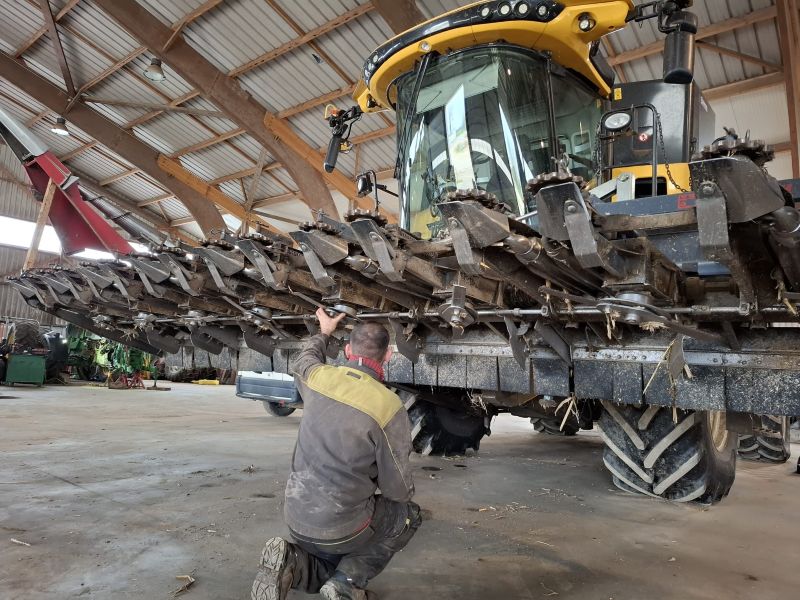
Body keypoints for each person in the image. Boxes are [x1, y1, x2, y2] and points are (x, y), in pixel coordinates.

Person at [251, 308, 421, 600]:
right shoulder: (389, 408)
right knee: (408, 515)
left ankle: (291, 560)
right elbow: (397, 490)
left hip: (296, 515)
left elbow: (305, 358)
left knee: (330, 554)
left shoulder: (318, 378)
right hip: (343, 526)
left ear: (346, 350)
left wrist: (324, 331)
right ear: (389, 355)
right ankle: (345, 583)